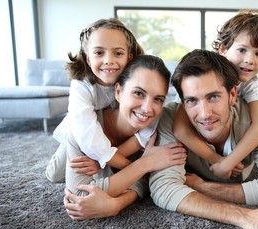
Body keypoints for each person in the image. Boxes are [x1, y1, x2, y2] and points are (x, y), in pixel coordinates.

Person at [64, 49, 258, 229]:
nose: (205, 113)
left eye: (214, 97)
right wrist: (244, 217)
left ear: (232, 95)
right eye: (191, 101)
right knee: (61, 165)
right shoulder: (169, 118)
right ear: (181, 102)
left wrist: (204, 187)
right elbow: (163, 189)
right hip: (86, 141)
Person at [64, 55, 187, 214]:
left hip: (114, 150)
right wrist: (144, 164)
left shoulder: (154, 131)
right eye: (138, 93)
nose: (147, 109)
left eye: (158, 99)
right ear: (118, 91)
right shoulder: (84, 129)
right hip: (70, 138)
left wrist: (116, 204)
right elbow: (79, 196)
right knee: (54, 173)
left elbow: (145, 182)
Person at [173, 10, 258, 179]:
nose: (250, 60)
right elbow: (180, 128)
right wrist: (217, 160)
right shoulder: (199, 76)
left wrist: (228, 163)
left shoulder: (252, 83)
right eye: (242, 50)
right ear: (222, 48)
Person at [46, 18, 144, 184]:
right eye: (99, 53)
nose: (108, 60)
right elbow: (87, 134)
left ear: (129, 57)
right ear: (88, 59)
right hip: (81, 129)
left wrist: (106, 159)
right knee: (55, 175)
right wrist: (129, 166)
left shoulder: (134, 80)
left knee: (105, 168)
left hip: (113, 131)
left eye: (118, 53)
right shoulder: (81, 85)